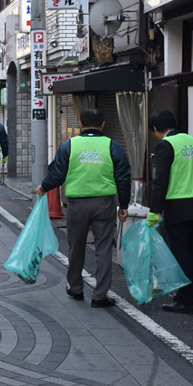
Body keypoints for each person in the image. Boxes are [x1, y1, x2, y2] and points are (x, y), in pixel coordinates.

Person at [35, 107, 131, 308]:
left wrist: (43, 187)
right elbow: (123, 177)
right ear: (103, 124)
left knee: (75, 247)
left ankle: (76, 288)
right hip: (104, 203)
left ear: (80, 124)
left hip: (77, 205)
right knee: (103, 249)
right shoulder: (113, 146)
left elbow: (57, 173)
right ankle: (99, 295)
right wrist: (123, 204)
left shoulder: (70, 145)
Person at [147, 109, 193, 315]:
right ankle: (185, 296)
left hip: (178, 207)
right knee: (191, 253)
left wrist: (154, 211)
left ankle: (188, 301)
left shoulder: (165, 145)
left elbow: (160, 181)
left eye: (153, 131)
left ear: (157, 129)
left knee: (181, 254)